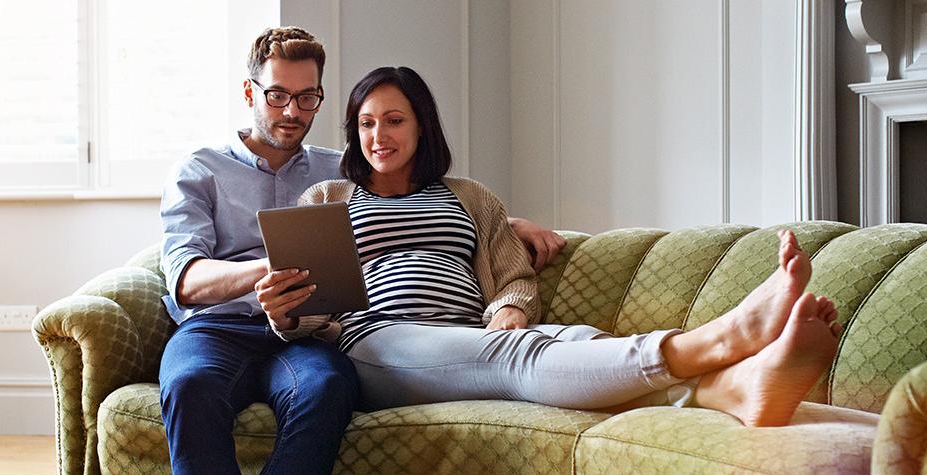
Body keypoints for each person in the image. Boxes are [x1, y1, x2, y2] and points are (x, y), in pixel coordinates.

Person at [256, 66, 843, 428]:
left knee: (574, 339)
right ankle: (721, 339)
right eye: (365, 123)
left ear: (421, 127)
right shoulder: (328, 197)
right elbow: (312, 303)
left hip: (469, 332)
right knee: (515, 359)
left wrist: (509, 310)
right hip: (378, 342)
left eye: (394, 121)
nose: (378, 136)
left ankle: (734, 389)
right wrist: (287, 315)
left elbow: (512, 276)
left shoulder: (469, 197)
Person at [158, 29, 565, 474]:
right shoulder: (201, 169)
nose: (292, 111)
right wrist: (279, 263)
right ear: (248, 91)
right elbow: (186, 278)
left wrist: (509, 224)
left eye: (306, 97)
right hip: (220, 328)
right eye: (276, 95)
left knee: (327, 387)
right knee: (189, 384)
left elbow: (413, 211)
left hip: (307, 334)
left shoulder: (342, 169)